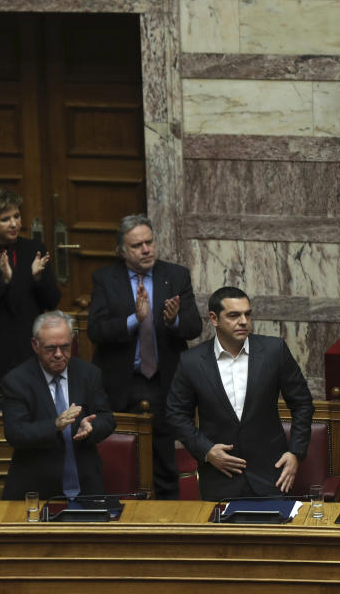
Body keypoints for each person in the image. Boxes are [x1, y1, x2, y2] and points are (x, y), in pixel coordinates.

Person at [87, 214, 202, 499]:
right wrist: (133, 320)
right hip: (122, 380)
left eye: (149, 242)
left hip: (163, 380)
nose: (146, 249)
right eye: (137, 245)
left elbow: (194, 328)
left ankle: (168, 520)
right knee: (118, 456)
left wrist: (174, 320)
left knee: (164, 458)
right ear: (122, 251)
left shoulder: (175, 275)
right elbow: (96, 330)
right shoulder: (105, 278)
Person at [165, 287, 314, 501]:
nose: (243, 321)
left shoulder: (274, 350)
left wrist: (295, 453)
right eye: (234, 315)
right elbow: (175, 414)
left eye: (247, 314)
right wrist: (207, 451)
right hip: (219, 477)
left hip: (272, 475)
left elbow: (302, 404)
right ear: (214, 319)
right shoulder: (191, 362)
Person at [1, 311, 115, 500]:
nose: (59, 355)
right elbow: (15, 432)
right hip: (36, 491)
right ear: (35, 345)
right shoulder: (17, 381)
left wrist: (91, 427)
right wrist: (55, 424)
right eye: (51, 348)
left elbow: (107, 418)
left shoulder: (89, 374)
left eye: (65, 347)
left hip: (86, 487)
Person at [0, 187, 60, 389]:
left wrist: (37, 277)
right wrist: (3, 281)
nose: (14, 223)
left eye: (17, 216)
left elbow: (52, 301)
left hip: (30, 350)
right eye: (5, 219)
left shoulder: (35, 250)